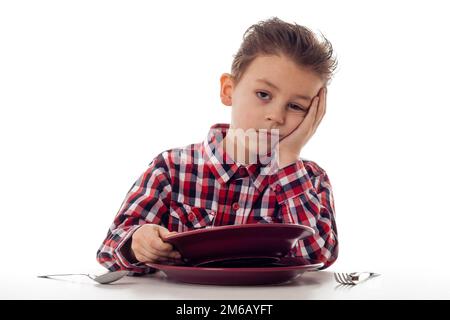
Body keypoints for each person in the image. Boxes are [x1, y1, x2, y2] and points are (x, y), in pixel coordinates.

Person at [97, 17, 339, 275]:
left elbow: (318, 255)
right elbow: (110, 251)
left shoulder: (309, 180)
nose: (276, 116)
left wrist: (288, 157)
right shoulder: (170, 169)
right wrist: (138, 241)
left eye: (296, 106)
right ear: (228, 90)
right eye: (263, 95)